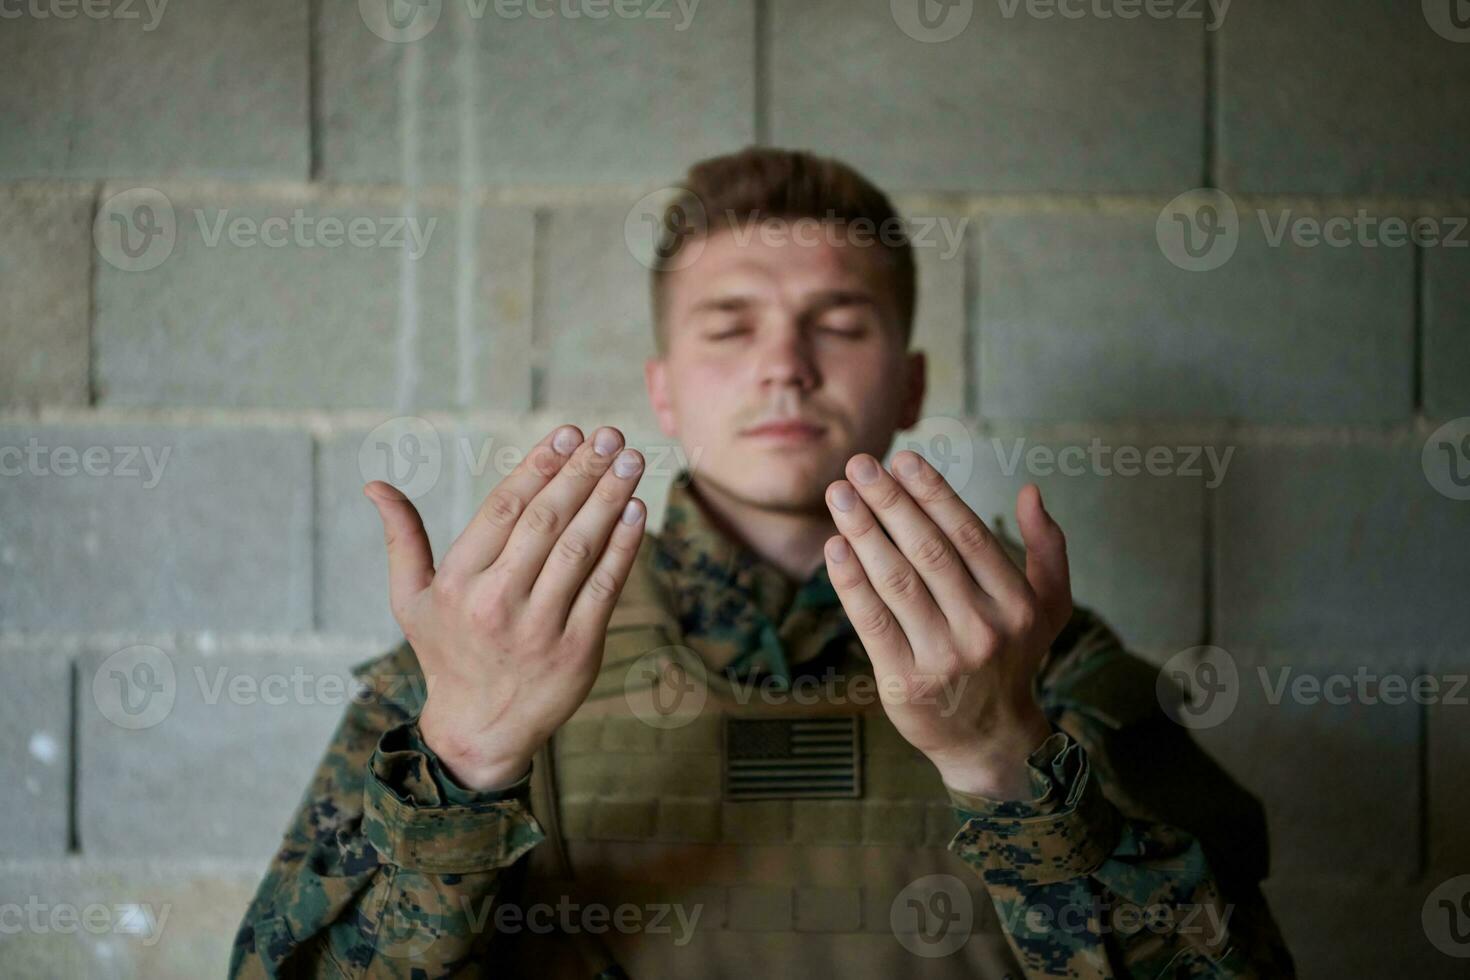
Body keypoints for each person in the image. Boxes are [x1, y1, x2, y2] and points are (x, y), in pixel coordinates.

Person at [229, 147, 1295, 978]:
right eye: (729, 328)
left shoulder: (1039, 657)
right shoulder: (485, 655)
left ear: (912, 383)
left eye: (837, 322)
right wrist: (464, 757)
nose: (784, 366)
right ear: (663, 389)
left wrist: (1007, 765)